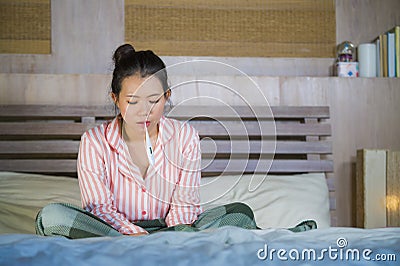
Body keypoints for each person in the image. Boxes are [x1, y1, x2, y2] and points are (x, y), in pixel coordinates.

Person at [35, 44, 264, 239]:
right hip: (113, 233)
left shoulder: (185, 137)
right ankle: (153, 249)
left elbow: (185, 204)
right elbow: (99, 208)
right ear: (115, 99)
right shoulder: (94, 142)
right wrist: (134, 235)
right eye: (132, 102)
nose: (144, 111)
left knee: (239, 214)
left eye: (153, 100)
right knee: (51, 217)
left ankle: (165, 248)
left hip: (174, 231)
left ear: (167, 96)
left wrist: (173, 236)